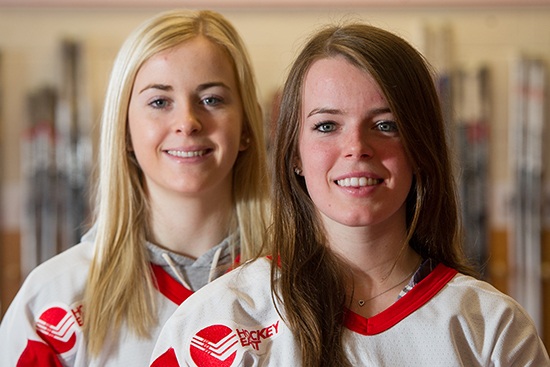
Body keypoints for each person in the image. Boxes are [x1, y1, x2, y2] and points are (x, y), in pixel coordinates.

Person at [150, 22, 550, 367]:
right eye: (327, 126)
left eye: (386, 125)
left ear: (421, 150)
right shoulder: (220, 319)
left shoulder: (492, 327)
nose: (357, 147)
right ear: (294, 154)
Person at [0, 9, 269, 366]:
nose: (187, 122)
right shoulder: (55, 300)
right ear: (125, 131)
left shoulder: (300, 284)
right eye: (159, 101)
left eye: (212, 99)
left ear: (247, 127)